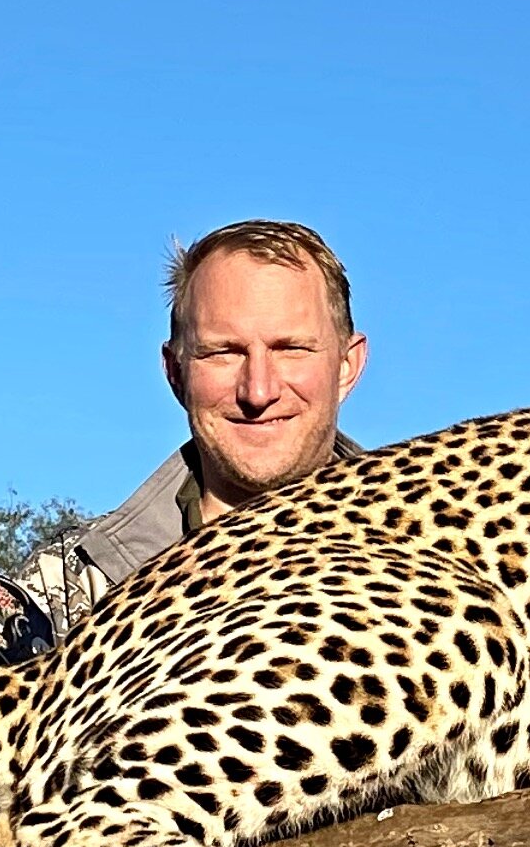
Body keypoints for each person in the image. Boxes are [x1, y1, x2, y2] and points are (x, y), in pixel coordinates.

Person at [19, 219, 369, 631]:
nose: (258, 391)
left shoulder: (436, 557)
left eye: (290, 349)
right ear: (176, 373)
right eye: (223, 352)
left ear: (347, 366)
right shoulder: (69, 584)